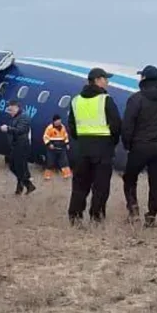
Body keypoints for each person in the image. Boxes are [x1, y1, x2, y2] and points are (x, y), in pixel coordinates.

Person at [121, 65, 157, 227]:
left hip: (139, 146)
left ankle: (133, 210)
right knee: (156, 183)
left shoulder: (136, 99)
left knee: (130, 178)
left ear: (143, 78)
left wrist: (127, 144)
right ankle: (151, 216)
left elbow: (127, 124)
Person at [67, 68, 122, 226]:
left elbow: (71, 125)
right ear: (98, 80)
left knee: (79, 185)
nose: (108, 82)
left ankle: (75, 217)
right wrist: (112, 142)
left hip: (82, 148)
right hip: (103, 148)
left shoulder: (76, 100)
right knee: (101, 186)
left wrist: (81, 138)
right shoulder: (105, 99)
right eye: (106, 79)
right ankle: (96, 217)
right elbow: (116, 124)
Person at [2, 100, 36, 195]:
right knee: (14, 166)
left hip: (22, 146)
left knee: (18, 167)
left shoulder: (24, 117)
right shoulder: (15, 117)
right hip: (16, 145)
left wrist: (8, 129)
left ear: (16, 107)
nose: (10, 112)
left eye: (11, 110)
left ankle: (27, 185)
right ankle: (24, 185)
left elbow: (21, 130)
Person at [42, 114, 72, 180]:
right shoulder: (50, 128)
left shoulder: (63, 127)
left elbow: (65, 136)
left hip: (62, 147)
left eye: (60, 121)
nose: (59, 122)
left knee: (64, 161)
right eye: (57, 121)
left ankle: (66, 174)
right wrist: (49, 144)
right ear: (54, 121)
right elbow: (45, 137)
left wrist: (67, 143)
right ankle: (47, 176)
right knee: (50, 162)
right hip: (52, 148)